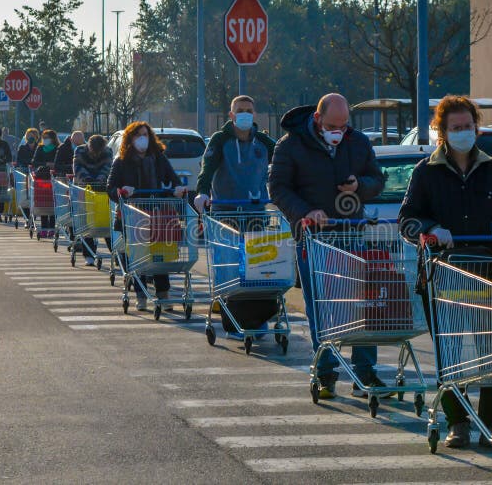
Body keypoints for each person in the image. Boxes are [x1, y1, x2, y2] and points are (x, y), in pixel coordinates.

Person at [398, 95, 492, 449]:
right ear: (443, 132)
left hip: (486, 276)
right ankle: (457, 421)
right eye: (456, 128)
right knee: (450, 351)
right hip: (442, 274)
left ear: (476, 128)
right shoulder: (426, 172)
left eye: (468, 127)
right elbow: (407, 219)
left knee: (490, 350)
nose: (463, 133)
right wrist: (432, 229)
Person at [268, 93, 386, 399]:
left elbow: (377, 179)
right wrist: (305, 212)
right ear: (318, 120)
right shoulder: (290, 145)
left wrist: (360, 186)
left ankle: (365, 372)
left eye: (344, 125)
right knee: (321, 307)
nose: (339, 131)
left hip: (351, 234)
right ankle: (325, 373)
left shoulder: (357, 142)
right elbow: (278, 188)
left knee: (361, 304)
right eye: (333, 125)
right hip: (313, 238)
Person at [194, 95, 277, 338]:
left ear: (255, 114)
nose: (244, 114)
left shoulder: (263, 142)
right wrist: (201, 193)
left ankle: (257, 317)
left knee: (256, 267)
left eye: (249, 110)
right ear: (231, 115)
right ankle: (233, 319)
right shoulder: (221, 141)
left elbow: (284, 162)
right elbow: (206, 169)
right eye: (240, 110)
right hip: (225, 213)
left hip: (255, 213)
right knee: (230, 268)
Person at [107, 121, 187, 311]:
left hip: (156, 214)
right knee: (137, 257)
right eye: (137, 135)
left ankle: (163, 295)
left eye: (145, 134)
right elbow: (110, 188)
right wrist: (121, 191)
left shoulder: (158, 158)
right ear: (130, 139)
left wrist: (177, 189)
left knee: (159, 255)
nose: (142, 138)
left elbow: (172, 180)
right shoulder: (121, 161)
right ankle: (141, 295)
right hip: (131, 215)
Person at [74, 134, 113, 266]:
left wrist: (100, 180)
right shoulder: (79, 150)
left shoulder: (107, 151)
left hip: (102, 190)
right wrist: (88, 180)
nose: (96, 154)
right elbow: (78, 168)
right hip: (84, 189)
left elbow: (108, 168)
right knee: (86, 222)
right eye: (93, 151)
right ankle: (89, 254)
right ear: (88, 146)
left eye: (99, 152)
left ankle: (115, 253)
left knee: (105, 222)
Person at [31, 129, 60, 237]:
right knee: (43, 203)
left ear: (53, 138)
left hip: (53, 179)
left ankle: (52, 228)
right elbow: (34, 162)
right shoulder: (40, 148)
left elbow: (60, 162)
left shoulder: (58, 148)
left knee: (52, 203)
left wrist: (54, 165)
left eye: (47, 137)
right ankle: (43, 228)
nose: (45, 139)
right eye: (44, 137)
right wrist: (46, 164)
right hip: (42, 179)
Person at [16, 128, 40, 228]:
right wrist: (28, 163)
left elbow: (39, 160)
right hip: (25, 174)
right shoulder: (22, 148)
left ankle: (33, 217)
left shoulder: (39, 148)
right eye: (29, 135)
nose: (31, 137)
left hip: (35, 175)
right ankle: (27, 219)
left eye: (33, 135)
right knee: (25, 197)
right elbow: (19, 160)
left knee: (34, 197)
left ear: (36, 137)